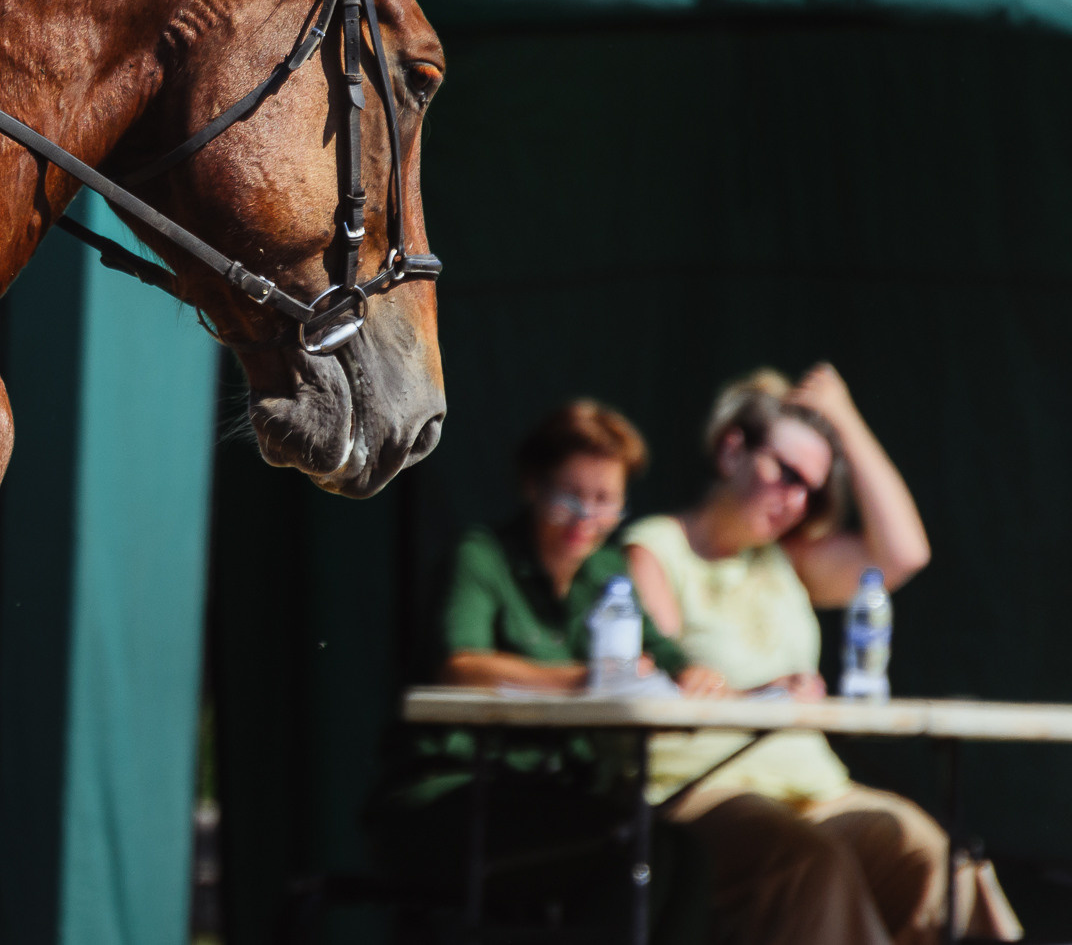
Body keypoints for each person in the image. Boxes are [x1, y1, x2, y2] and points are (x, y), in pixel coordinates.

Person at [624, 365, 1020, 945]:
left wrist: (844, 419)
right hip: (704, 789)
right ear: (732, 450)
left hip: (819, 792)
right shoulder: (656, 550)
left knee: (930, 854)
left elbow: (904, 554)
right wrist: (763, 697)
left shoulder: (787, 559)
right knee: (809, 864)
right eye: (786, 474)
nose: (796, 501)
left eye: (811, 489)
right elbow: (660, 687)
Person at [366, 401, 713, 942]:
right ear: (532, 485)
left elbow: (667, 657)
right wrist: (581, 679)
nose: (585, 517)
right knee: (633, 852)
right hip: (453, 794)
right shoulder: (482, 557)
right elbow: (460, 666)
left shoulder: (608, 571)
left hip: (553, 794)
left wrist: (700, 677)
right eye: (569, 496)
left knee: (685, 852)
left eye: (605, 501)